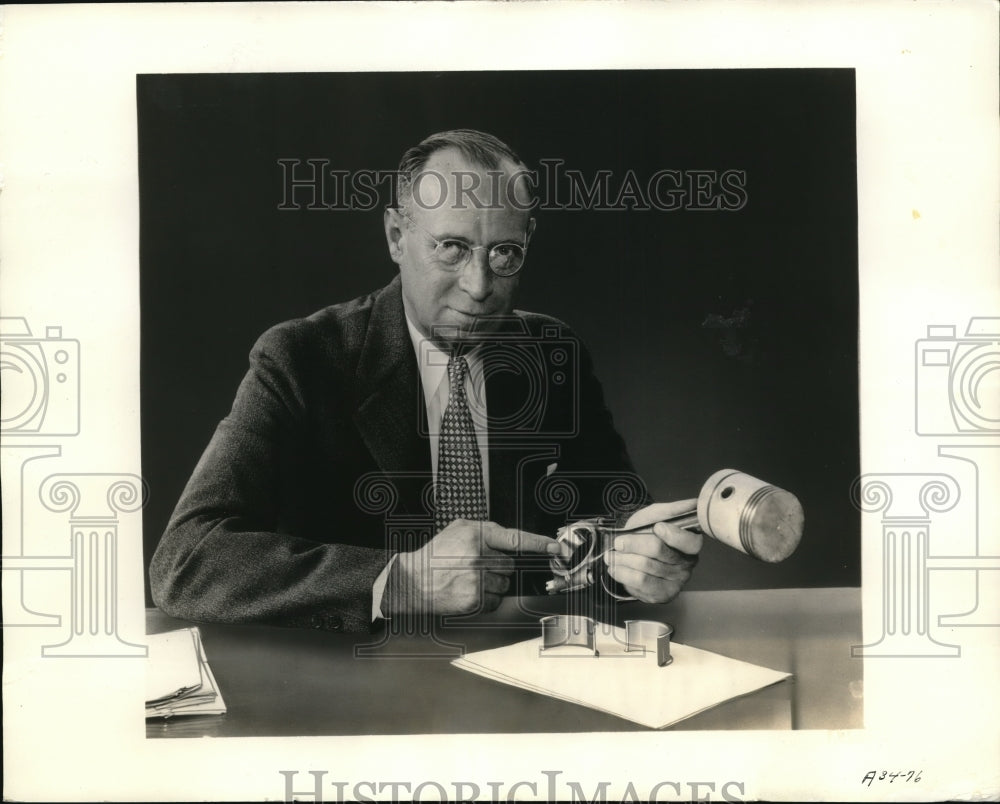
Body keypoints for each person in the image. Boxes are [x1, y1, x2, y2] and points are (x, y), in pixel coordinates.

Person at [149, 129, 701, 633]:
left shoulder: (552, 353)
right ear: (396, 236)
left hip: (523, 677)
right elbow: (186, 560)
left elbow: (613, 512)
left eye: (504, 253)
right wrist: (400, 580)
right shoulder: (301, 358)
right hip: (356, 690)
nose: (480, 286)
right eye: (452, 248)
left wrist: (635, 557)